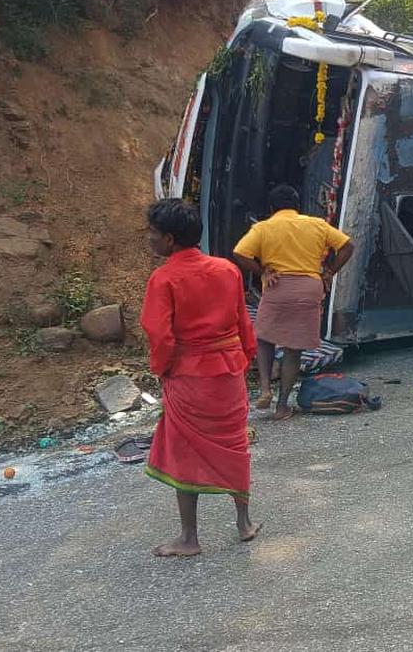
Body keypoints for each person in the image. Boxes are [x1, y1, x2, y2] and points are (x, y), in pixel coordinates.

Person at [140, 199, 261, 558]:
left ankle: (189, 538)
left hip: (188, 377)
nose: (150, 240)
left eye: (153, 234)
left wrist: (161, 370)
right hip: (228, 372)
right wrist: (245, 358)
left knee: (184, 450)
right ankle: (244, 524)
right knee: (234, 444)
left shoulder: (164, 278)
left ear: (171, 239)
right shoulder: (227, 269)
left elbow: (159, 336)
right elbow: (243, 321)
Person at [233, 185, 355, 420]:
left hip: (277, 286)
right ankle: (282, 406)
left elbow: (240, 252)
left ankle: (266, 387)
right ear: (298, 206)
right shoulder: (317, 224)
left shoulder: (263, 227)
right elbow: (347, 246)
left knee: (265, 337)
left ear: (271, 208)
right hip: (309, 287)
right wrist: (330, 271)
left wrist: (262, 271)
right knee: (293, 349)